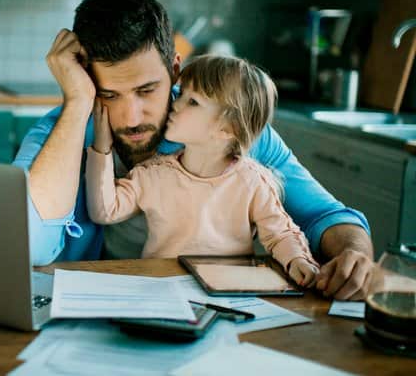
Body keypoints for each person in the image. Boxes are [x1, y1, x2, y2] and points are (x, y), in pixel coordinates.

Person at [13, 0, 374, 300]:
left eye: (146, 90)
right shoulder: (60, 132)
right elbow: (23, 246)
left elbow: (324, 215)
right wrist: (77, 104)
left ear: (174, 70)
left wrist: (354, 253)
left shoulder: (227, 130)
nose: (131, 117)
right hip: (93, 310)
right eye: (108, 94)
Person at [86, 55, 320, 286]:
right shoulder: (152, 174)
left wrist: (298, 260)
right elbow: (105, 211)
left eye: (192, 101)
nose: (175, 103)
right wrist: (102, 147)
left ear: (228, 129)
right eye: (183, 93)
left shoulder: (253, 181)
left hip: (229, 294)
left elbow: (281, 234)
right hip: (162, 288)